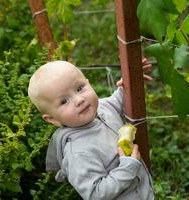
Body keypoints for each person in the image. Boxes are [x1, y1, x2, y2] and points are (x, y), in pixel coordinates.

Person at [28, 59, 155, 200]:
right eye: (64, 101)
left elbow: (118, 101)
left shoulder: (100, 108)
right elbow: (95, 194)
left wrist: (131, 82)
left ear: (88, 82)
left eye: (80, 88)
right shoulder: (78, 153)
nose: (79, 100)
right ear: (52, 119)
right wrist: (127, 168)